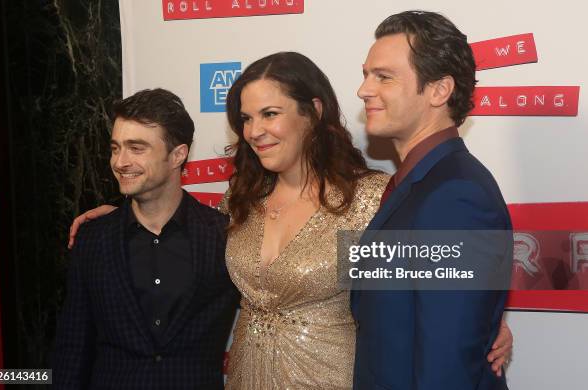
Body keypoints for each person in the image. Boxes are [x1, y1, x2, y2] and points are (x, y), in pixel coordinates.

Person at [67, 54, 512, 388]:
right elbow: (180, 243)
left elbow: (440, 280)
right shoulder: (241, 203)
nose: (254, 130)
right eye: (245, 118)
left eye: (270, 114)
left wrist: (489, 319)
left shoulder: (370, 199)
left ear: (314, 111)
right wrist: (122, 216)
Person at [351, 11, 512, 390]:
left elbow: (448, 366)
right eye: (365, 74)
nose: (363, 90)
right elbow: (389, 301)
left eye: (384, 77)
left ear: (439, 90)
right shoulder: (415, 185)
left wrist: (482, 315)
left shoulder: (457, 195)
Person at [53, 88, 239, 389]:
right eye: (116, 148)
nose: (120, 162)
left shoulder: (224, 237)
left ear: (178, 155)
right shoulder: (92, 239)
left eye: (136, 148)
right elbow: (73, 348)